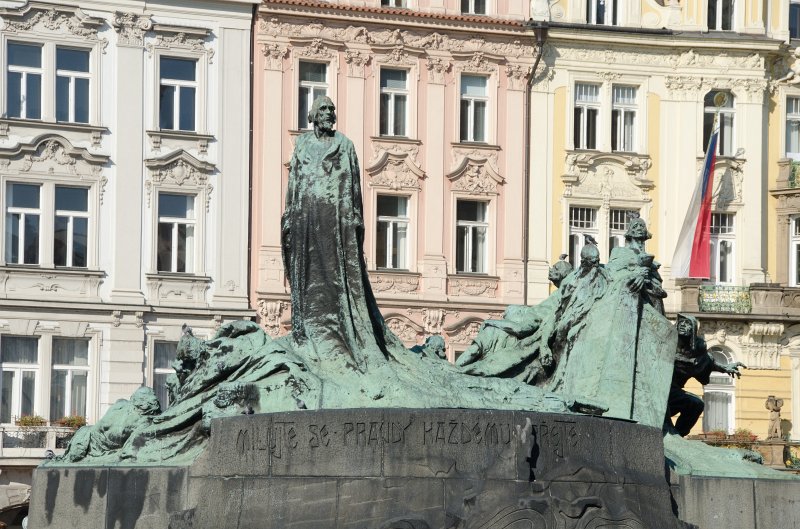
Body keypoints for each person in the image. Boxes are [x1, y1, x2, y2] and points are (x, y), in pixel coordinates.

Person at [281, 96, 393, 370]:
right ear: (312, 115)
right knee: (307, 275)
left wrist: (353, 220)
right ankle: (308, 330)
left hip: (334, 222)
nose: (330, 112)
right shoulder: (302, 144)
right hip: (306, 218)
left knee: (336, 276)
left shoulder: (344, 145)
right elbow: (294, 182)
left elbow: (353, 188)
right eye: (324, 108)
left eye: (332, 108)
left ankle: (341, 333)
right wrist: (289, 215)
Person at [667, 314, 746, 436]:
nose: (683, 325)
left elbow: (709, 362)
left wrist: (725, 368)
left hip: (673, 392)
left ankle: (677, 435)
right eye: (681, 322)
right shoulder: (665, 341)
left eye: (687, 323)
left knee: (696, 404)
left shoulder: (697, 352)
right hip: (656, 389)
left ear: (693, 329)